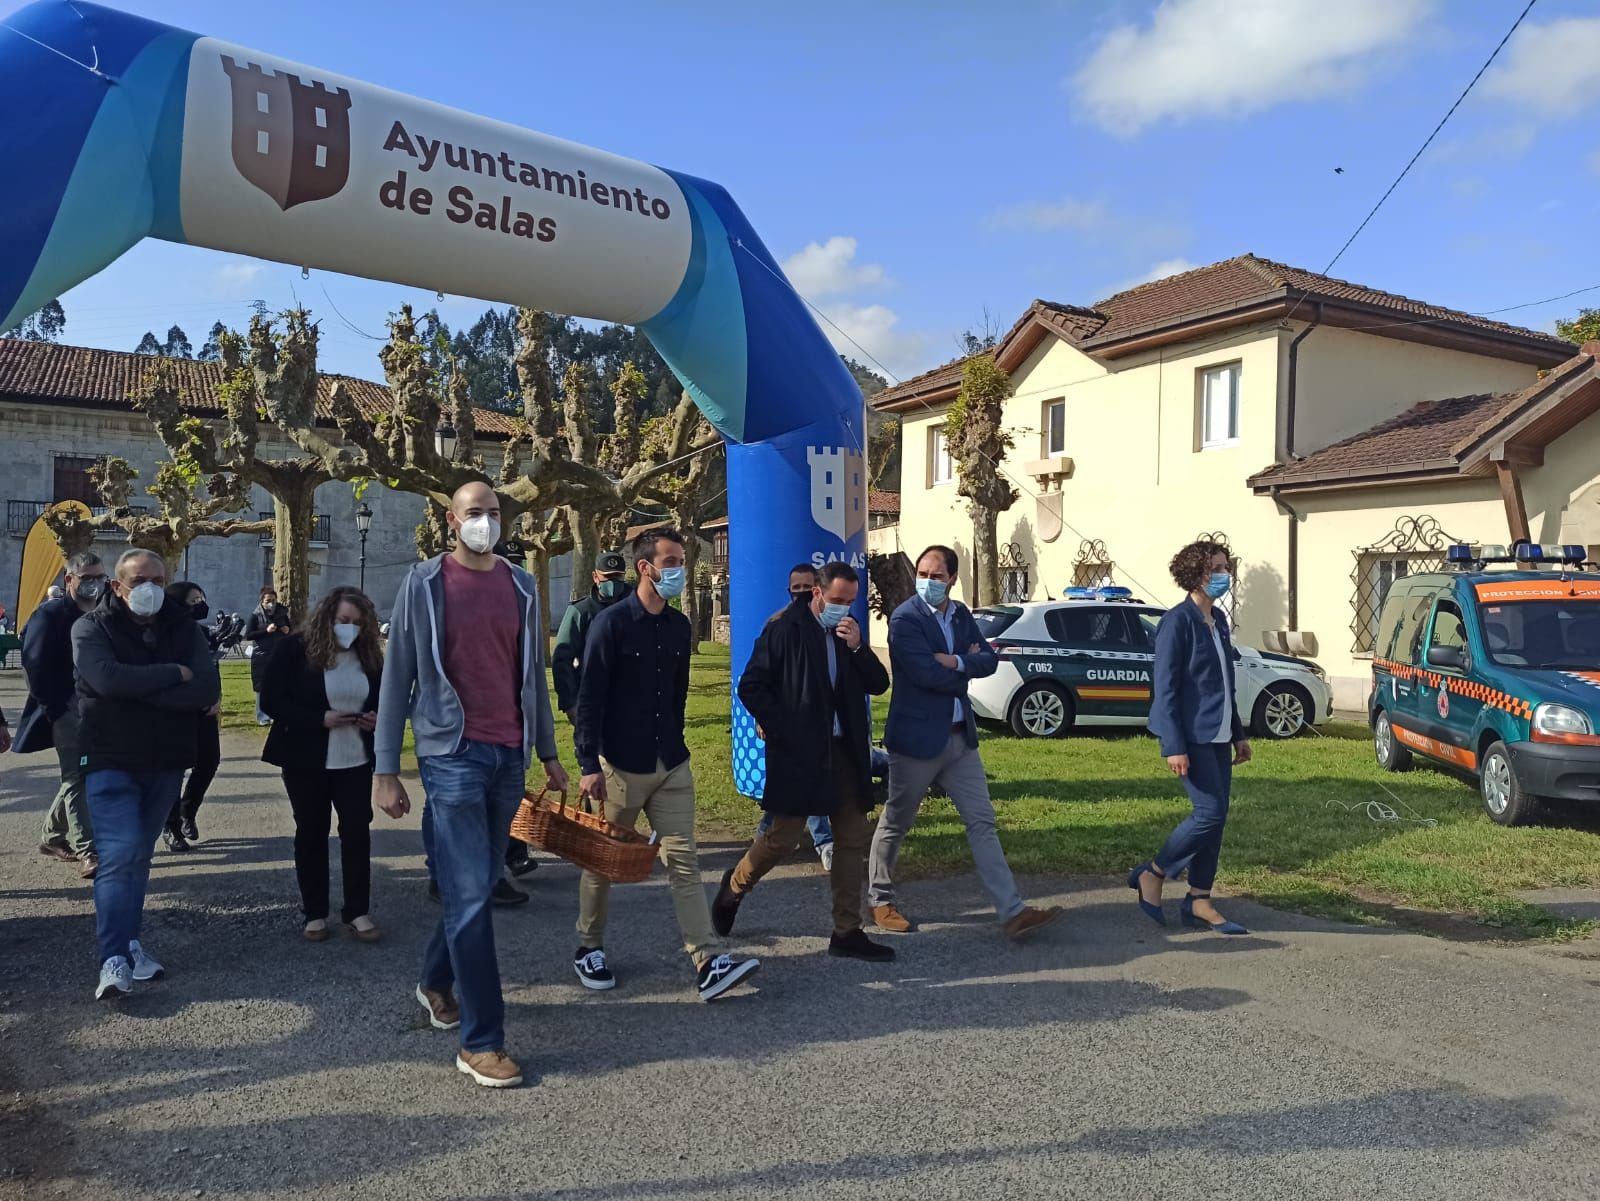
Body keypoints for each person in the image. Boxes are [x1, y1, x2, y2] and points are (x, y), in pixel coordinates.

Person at [374, 481, 568, 1090]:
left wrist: (547, 751)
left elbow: (530, 673)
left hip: (508, 753)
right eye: (473, 513)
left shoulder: (521, 585)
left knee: (479, 884)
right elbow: (398, 676)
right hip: (450, 753)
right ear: (451, 523)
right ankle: (480, 1041)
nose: (485, 521)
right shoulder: (424, 584)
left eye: (493, 512)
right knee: (471, 893)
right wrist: (386, 768)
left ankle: (435, 981)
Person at [572, 526, 759, 1001]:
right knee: (603, 861)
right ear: (646, 567)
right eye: (672, 560)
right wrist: (588, 763)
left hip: (671, 764)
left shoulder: (679, 628)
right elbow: (589, 698)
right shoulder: (610, 625)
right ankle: (588, 947)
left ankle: (707, 959)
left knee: (684, 862)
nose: (679, 569)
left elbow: (675, 697)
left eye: (681, 560)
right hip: (620, 766)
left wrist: (673, 743)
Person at [867, 545, 1060, 940]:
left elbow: (988, 660)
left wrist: (953, 661)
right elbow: (923, 674)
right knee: (897, 821)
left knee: (982, 822)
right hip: (917, 741)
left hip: (960, 741)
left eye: (937, 576)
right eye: (923, 573)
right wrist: (962, 663)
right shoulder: (905, 619)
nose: (928, 582)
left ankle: (1012, 912)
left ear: (953, 579)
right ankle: (880, 898)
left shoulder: (960, 615)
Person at [711, 562, 894, 961]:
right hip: (799, 754)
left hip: (845, 751)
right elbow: (752, 685)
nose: (842, 608)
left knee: (850, 840)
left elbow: (878, 684)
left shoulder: (848, 634)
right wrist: (783, 728)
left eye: (850, 601)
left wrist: (859, 648)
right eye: (836, 600)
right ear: (816, 593)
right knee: (782, 839)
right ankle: (735, 886)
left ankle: (847, 931)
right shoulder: (784, 629)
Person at [74, 549, 219, 1000]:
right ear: (117, 586)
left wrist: (139, 688)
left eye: (158, 578)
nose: (150, 588)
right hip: (109, 758)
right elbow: (106, 681)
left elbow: (205, 688)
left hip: (165, 760)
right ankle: (113, 957)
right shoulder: (90, 627)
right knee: (118, 854)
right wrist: (171, 674)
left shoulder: (184, 627)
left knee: (139, 854)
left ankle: (130, 942)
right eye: (139, 581)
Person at [1130, 540, 1253, 935]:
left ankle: (1199, 899)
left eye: (1225, 567)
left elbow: (1225, 684)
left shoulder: (1218, 622)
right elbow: (1164, 689)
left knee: (1217, 821)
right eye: (1215, 568)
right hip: (1191, 737)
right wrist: (1174, 745)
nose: (1223, 575)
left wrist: (1238, 735)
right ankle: (1154, 872)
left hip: (1218, 735)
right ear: (1195, 574)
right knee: (1208, 813)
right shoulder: (1177, 622)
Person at [263, 586, 384, 943]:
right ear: (327, 618)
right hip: (306, 757)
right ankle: (315, 912)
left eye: (359, 624)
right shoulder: (294, 649)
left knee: (357, 833)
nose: (351, 629)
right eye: (344, 621)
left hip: (355, 759)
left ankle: (357, 911)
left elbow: (382, 698)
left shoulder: (369, 656)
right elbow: (272, 700)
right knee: (312, 832)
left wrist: (375, 717)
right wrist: (319, 718)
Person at [17, 551, 107, 879]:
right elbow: (34, 664)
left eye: (100, 576)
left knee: (82, 773)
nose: (95, 584)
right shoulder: (49, 615)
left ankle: (52, 836)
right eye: (87, 578)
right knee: (78, 776)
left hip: (99, 708)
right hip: (66, 711)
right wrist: (55, 709)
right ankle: (89, 851)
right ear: (69, 579)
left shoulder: (104, 611)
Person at [751, 564, 835, 869]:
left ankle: (822, 842)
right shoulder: (777, 625)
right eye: (794, 588)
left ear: (817, 589)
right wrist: (766, 718)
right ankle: (767, 840)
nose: (800, 593)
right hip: (785, 726)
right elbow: (760, 679)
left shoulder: (828, 625)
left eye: (806, 587)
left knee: (804, 788)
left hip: (818, 726)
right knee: (788, 790)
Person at [161, 582, 222, 852]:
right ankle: (170, 825)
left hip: (204, 709)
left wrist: (217, 697)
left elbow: (213, 667)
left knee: (209, 761)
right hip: (177, 711)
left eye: (202, 598)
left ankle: (188, 812)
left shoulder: (203, 632)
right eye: (194, 600)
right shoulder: (163, 634)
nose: (201, 604)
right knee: (175, 768)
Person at [552, 549, 630, 719]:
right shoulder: (580, 611)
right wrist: (569, 703)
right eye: (607, 577)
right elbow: (561, 659)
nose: (613, 581)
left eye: (618, 576)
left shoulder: (638, 607)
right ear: (596, 577)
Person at [245, 585, 292, 725]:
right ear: (262, 602)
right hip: (262, 655)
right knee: (261, 686)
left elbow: (291, 631)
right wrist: (266, 630)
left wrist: (287, 630)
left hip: (279, 654)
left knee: (279, 685)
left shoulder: (282, 614)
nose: (271, 603)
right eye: (267, 601)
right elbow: (248, 635)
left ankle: (277, 713)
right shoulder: (255, 615)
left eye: (273, 600)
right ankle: (262, 716)